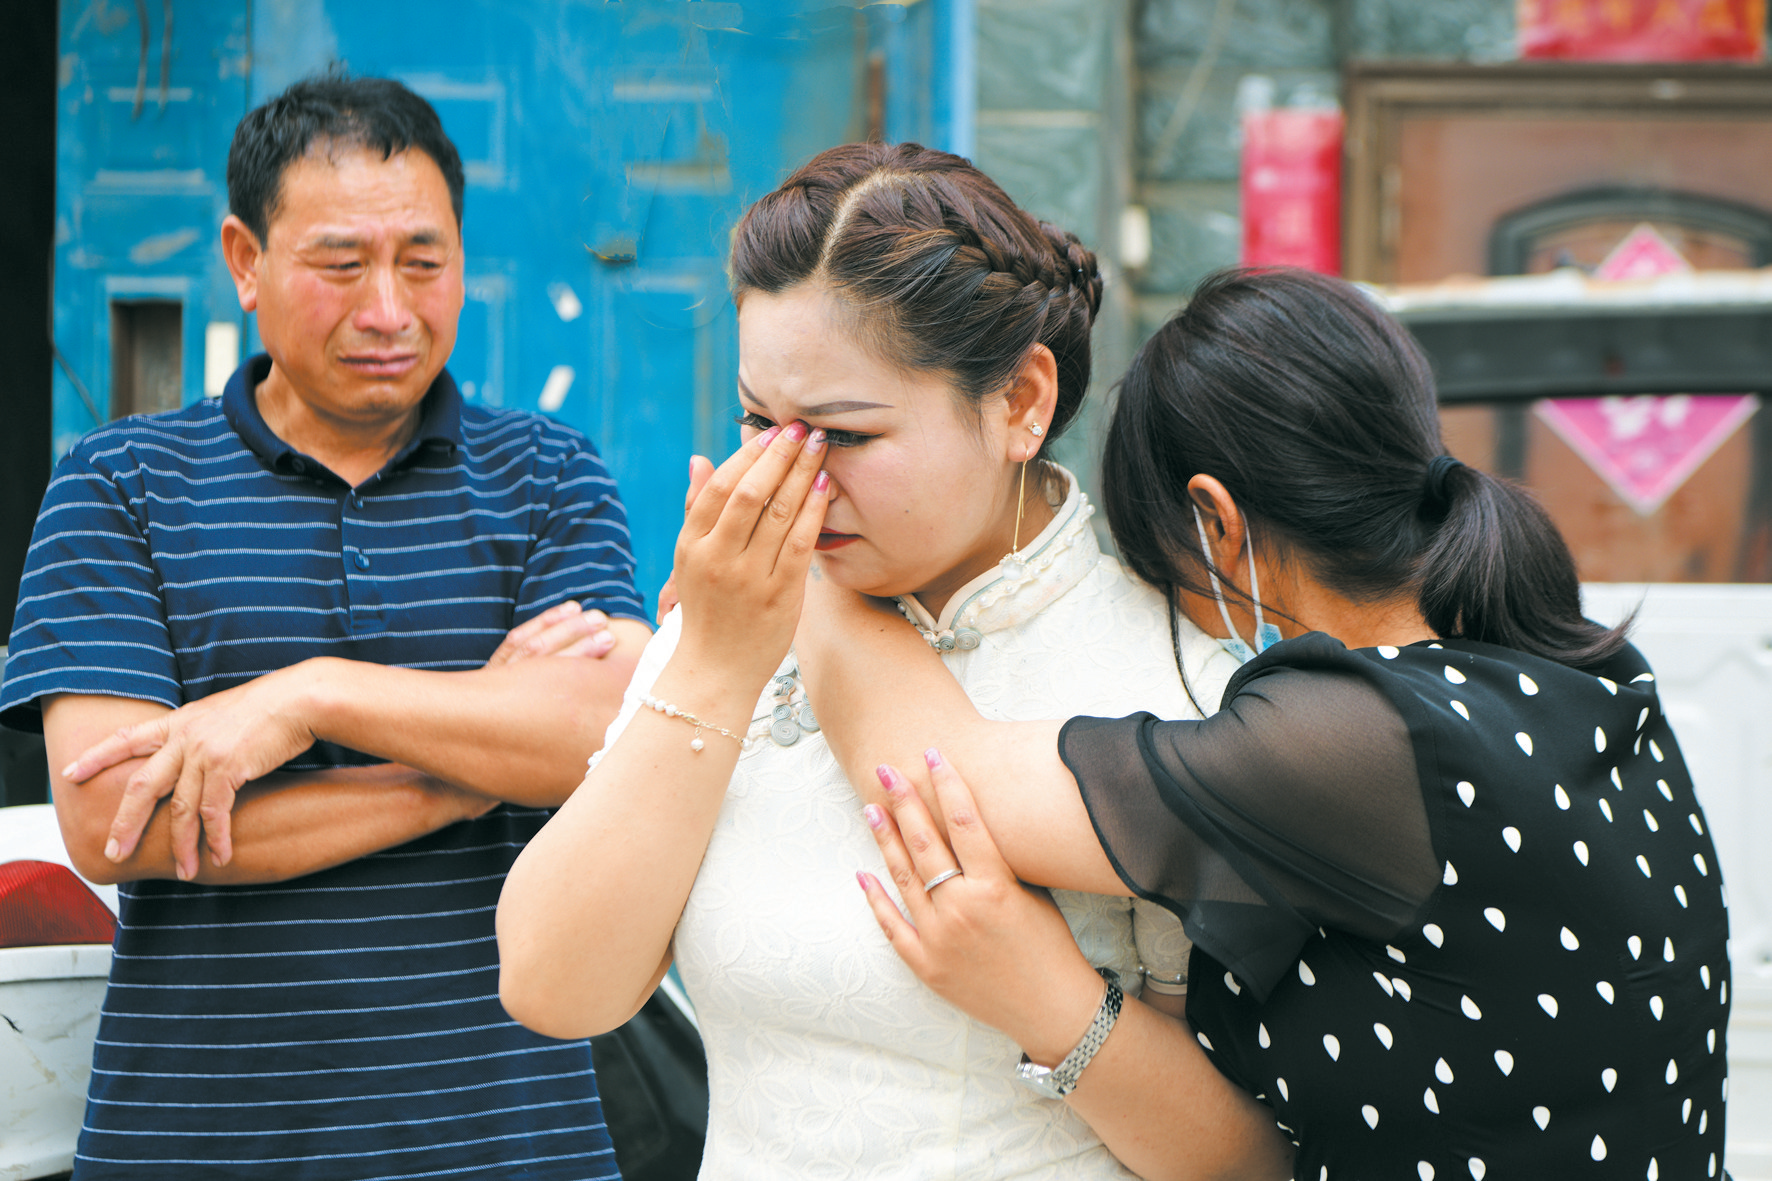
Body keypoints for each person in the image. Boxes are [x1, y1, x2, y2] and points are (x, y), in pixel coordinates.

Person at [784, 268, 1732, 1180]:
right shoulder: (1584, 679)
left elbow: (945, 777)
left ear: (1216, 523)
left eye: (1162, 575)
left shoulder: (1362, 741)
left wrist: (808, 550)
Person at [497, 142, 1242, 1180]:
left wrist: (1056, 1005)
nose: (785, 475)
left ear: (1021, 402)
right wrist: (711, 664)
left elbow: (1247, 1157)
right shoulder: (734, 622)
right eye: (759, 421)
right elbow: (554, 983)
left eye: (842, 435)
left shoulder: (1178, 684)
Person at [0, 74, 651, 1180]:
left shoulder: (546, 475)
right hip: (200, 1141)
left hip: (505, 1139)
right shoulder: (120, 486)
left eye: (424, 262)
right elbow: (117, 822)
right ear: (245, 261)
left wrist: (305, 698)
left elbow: (602, 735)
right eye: (342, 264)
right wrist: (468, 774)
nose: (389, 310)